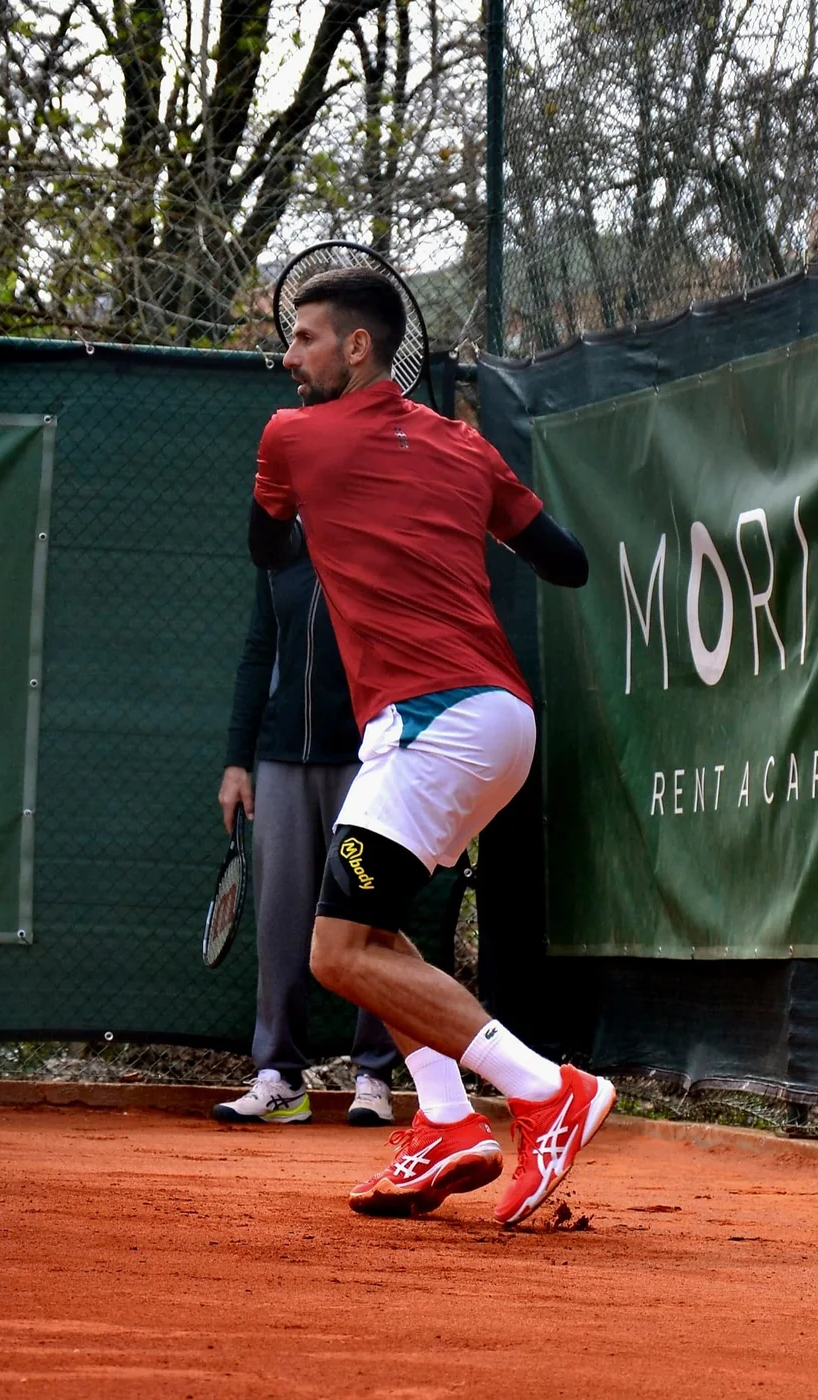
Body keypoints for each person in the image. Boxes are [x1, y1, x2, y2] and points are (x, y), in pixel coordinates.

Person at [247, 266, 614, 1227]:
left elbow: (265, 545)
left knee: (334, 954)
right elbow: (565, 563)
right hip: (496, 719)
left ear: (357, 346)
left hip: (433, 723)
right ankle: (447, 1121)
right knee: (368, 931)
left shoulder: (292, 437)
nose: (288, 358)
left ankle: (545, 1091)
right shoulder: (465, 447)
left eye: (305, 338)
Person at [211, 547, 398, 1127]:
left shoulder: (379, 542)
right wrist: (237, 763)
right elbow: (256, 654)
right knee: (280, 921)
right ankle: (280, 1080)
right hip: (281, 757)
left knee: (370, 916)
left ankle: (375, 1076)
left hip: (369, 757)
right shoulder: (278, 558)